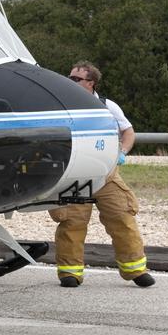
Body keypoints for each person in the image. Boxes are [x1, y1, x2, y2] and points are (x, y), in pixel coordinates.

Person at [49, 61, 155, 288]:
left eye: (76, 79)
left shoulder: (108, 106)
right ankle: (70, 273)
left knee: (122, 217)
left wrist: (122, 152)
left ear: (91, 83)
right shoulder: (60, 104)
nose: (69, 81)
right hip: (75, 176)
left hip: (107, 176)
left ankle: (136, 270)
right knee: (72, 223)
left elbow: (128, 131)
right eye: (69, 77)